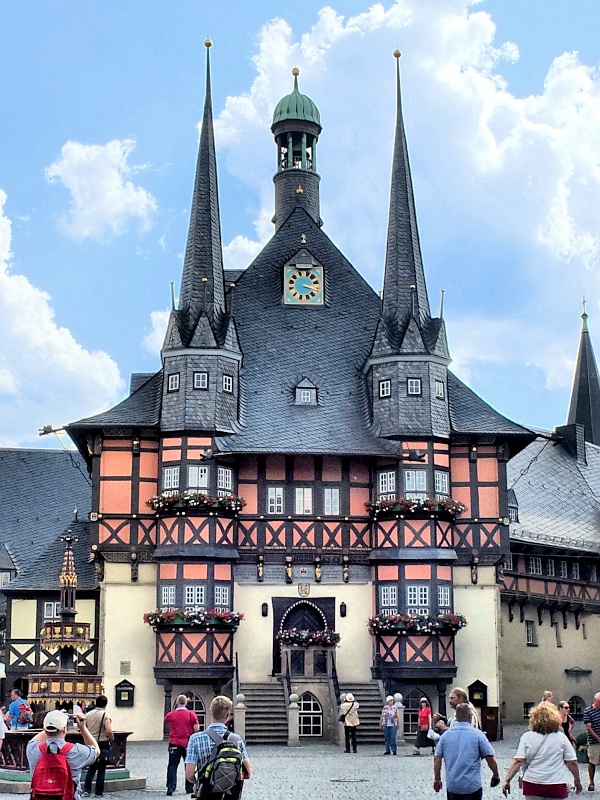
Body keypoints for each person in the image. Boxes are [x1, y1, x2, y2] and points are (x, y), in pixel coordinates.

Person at [502, 702, 582, 798]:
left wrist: (507, 780)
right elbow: (572, 762)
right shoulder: (561, 737)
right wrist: (577, 780)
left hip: (532, 783)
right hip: (556, 783)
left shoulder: (527, 737)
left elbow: (518, 761)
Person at [185, 696, 251, 798]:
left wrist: (199, 782)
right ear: (228, 715)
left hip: (206, 794)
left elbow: (189, 775)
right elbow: (247, 773)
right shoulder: (236, 739)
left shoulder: (195, 738)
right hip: (230, 795)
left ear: (211, 712)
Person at [27, 710, 99, 800]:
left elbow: (35, 739)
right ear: (65, 729)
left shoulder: (33, 749)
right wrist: (82, 728)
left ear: (44, 729)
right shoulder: (75, 751)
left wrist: (53, 718)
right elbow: (96, 750)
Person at [434, 703, 500, 800]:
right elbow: (490, 757)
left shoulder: (445, 736)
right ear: (470, 717)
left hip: (453, 786)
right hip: (471, 786)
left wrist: (437, 779)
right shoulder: (478, 735)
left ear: (456, 717)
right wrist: (495, 774)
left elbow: (437, 758)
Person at [164, 693, 199, 796]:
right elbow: (196, 729)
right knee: (189, 765)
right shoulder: (191, 714)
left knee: (172, 765)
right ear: (186, 702)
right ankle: (189, 788)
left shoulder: (171, 714)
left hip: (174, 743)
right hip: (187, 743)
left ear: (177, 702)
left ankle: (171, 787)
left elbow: (166, 721)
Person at [82, 695, 115, 798]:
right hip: (102, 743)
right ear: (105, 704)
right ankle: (98, 792)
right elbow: (108, 730)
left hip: (91, 742)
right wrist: (111, 738)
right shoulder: (105, 715)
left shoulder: (88, 714)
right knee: (101, 769)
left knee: (91, 768)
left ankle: (86, 790)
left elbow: (84, 728)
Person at [584, 692, 600, 791]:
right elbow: (589, 728)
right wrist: (598, 738)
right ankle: (591, 782)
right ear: (596, 700)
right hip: (593, 741)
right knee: (592, 762)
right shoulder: (588, 710)